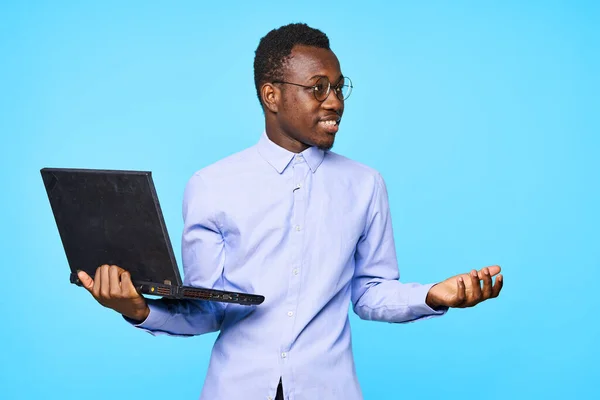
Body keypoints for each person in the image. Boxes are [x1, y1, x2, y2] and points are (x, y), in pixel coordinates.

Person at [77, 23, 503, 400]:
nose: (334, 102)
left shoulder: (365, 185)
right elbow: (207, 308)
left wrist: (430, 295)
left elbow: (370, 292)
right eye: (318, 87)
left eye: (339, 87)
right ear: (272, 95)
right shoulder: (212, 185)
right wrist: (137, 308)